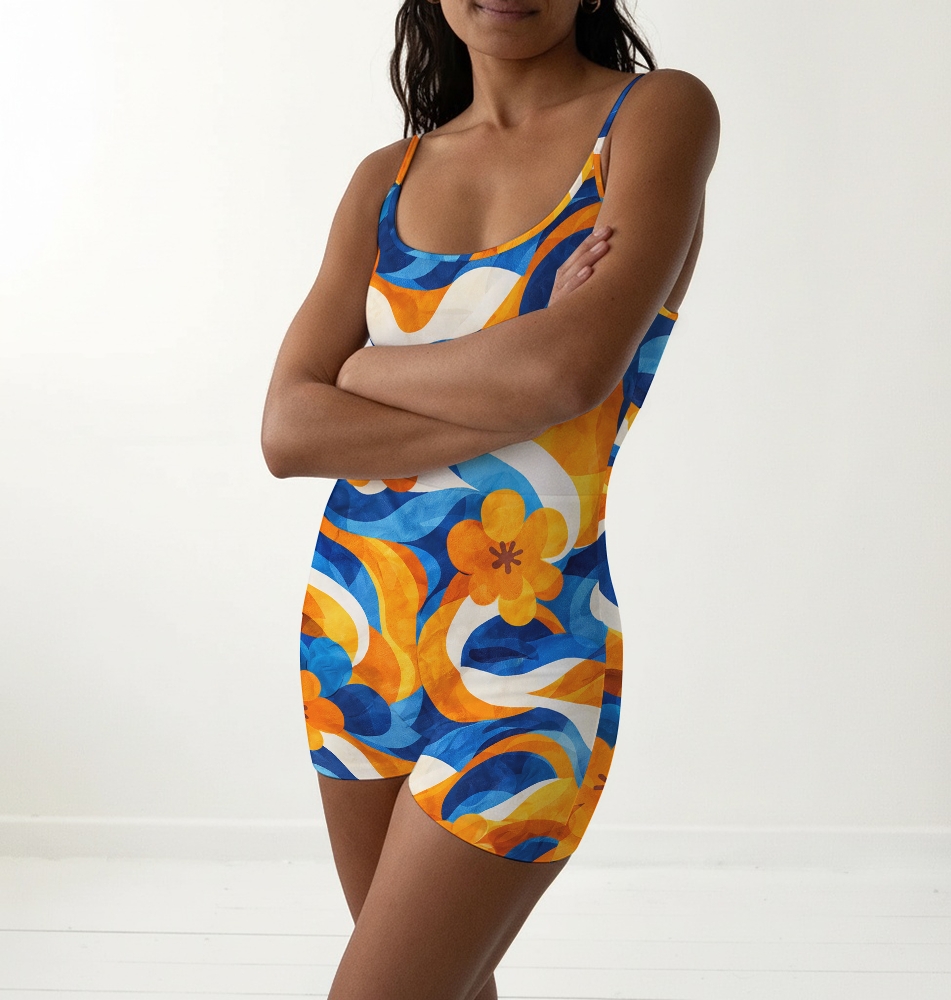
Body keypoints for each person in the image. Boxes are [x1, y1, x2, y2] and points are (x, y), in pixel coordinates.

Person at [261, 1, 718, 997]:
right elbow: (288, 432)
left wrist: (363, 371)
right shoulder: (384, 178)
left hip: (529, 652)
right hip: (356, 633)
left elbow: (569, 373)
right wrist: (512, 381)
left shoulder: (654, 116)